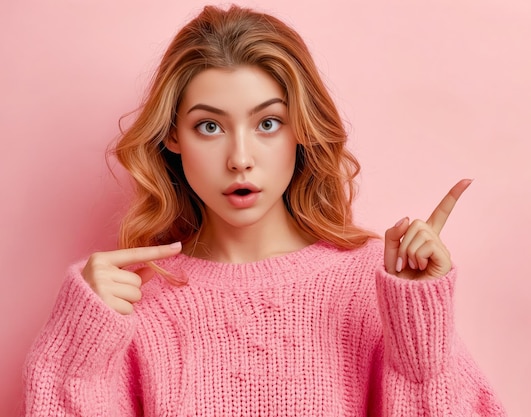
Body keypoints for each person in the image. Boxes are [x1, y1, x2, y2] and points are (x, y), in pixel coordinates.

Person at [22, 4, 506, 416]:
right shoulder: (128, 303)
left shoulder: (373, 283)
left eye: (268, 123)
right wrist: (75, 349)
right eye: (209, 127)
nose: (240, 158)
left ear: (301, 130)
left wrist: (420, 331)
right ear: (172, 136)